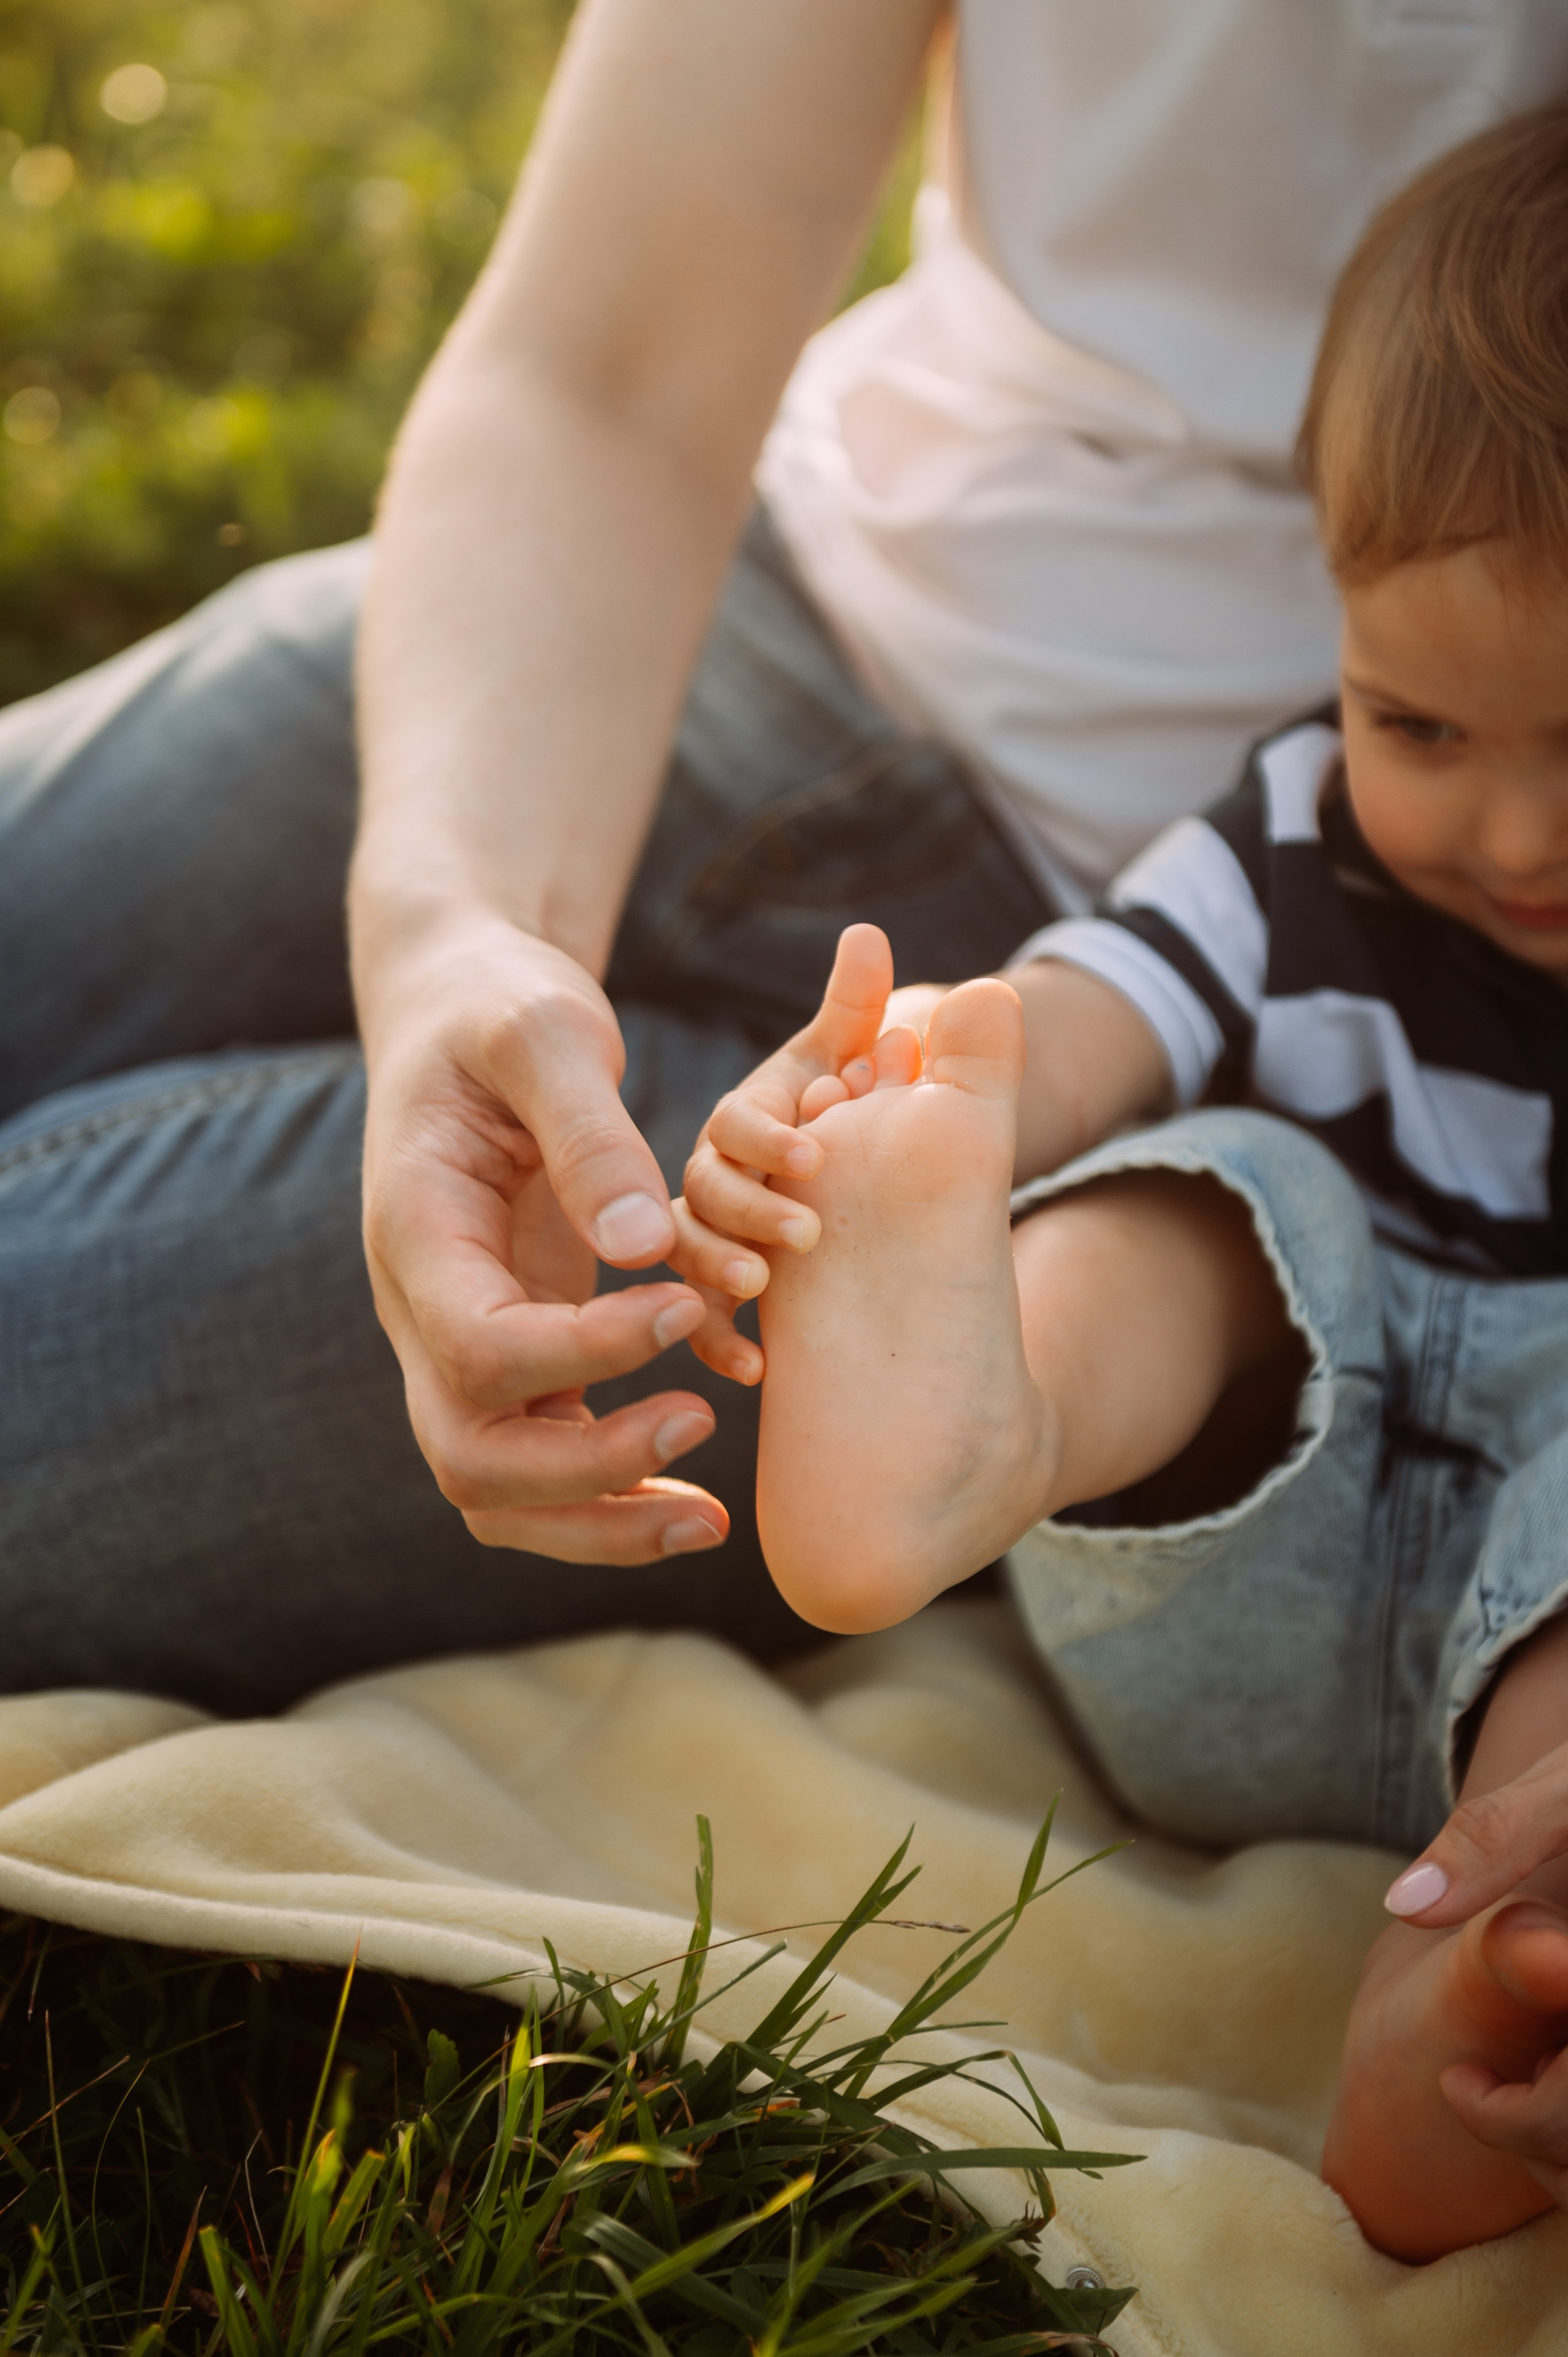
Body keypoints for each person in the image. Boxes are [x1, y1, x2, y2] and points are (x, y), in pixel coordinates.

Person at [4, 4, 1566, 1710]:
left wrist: (927, 1152)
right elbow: (594, 367)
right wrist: (460, 930)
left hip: (1207, 1031)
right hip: (737, 602)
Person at [675, 106, 1568, 2260]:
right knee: (1213, 1179)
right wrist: (954, 1102)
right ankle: (982, 1429)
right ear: (1332, 623)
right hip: (1226, 1542)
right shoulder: (1298, 838)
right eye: (1415, 725)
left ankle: (1474, 1985)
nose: (1512, 840)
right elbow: (1106, 1007)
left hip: (1532, 1639)